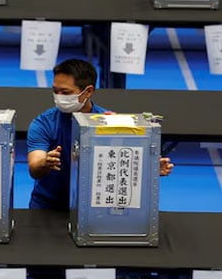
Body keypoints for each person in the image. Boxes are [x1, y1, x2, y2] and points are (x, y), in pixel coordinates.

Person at [27, 58, 175, 211]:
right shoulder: (43, 123)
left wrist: (149, 169)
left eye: (65, 92)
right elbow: (34, 167)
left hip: (93, 206)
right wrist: (44, 163)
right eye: (55, 91)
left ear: (88, 91)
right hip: (47, 205)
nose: (58, 97)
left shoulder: (110, 122)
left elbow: (122, 164)